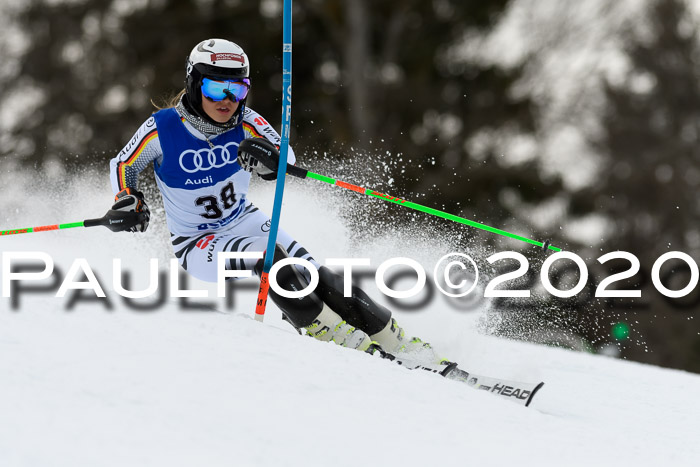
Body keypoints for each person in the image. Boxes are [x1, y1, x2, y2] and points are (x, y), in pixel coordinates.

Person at [107, 38, 445, 371]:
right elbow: (124, 165)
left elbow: (287, 159)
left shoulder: (248, 122)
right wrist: (128, 199)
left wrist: (268, 158)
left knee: (317, 275)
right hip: (197, 242)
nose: (227, 100)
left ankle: (395, 341)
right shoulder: (162, 129)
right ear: (194, 84)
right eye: (215, 88)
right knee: (269, 258)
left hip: (243, 221)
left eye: (237, 90)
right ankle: (335, 336)